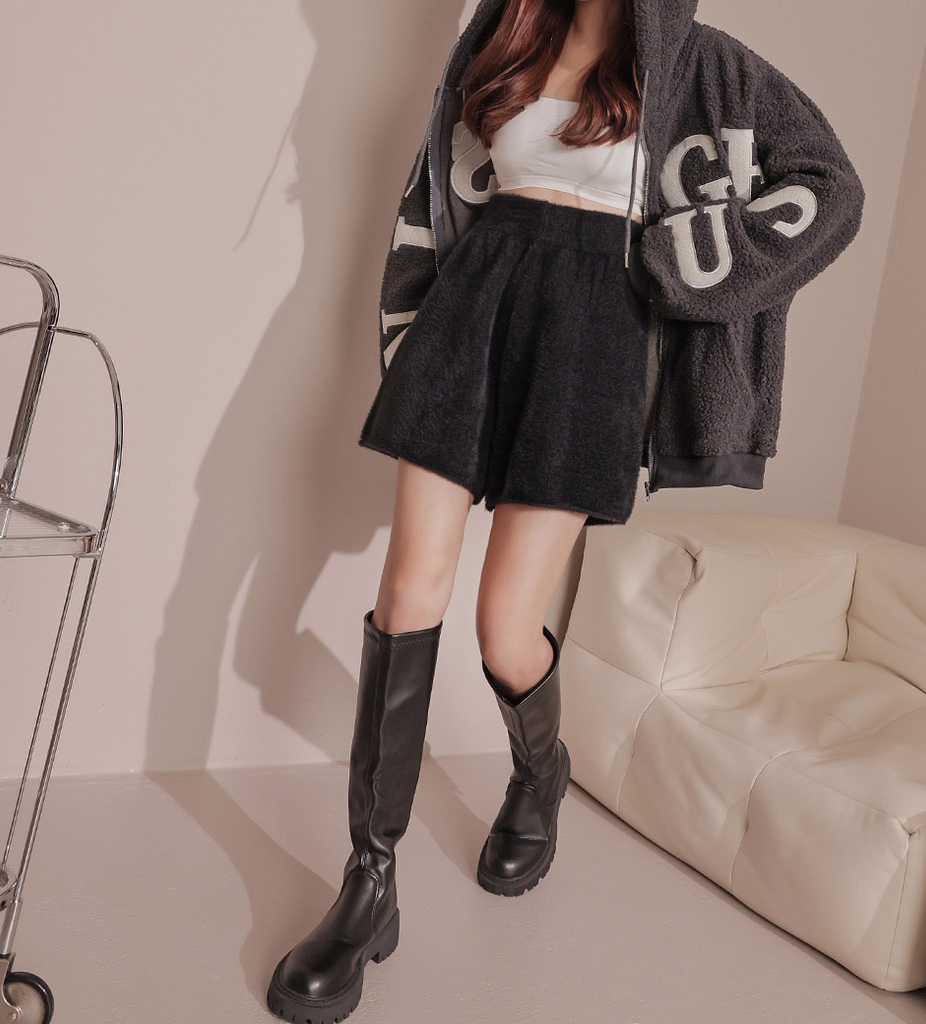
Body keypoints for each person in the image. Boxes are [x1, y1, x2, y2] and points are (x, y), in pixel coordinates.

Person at [267, 0, 864, 1020]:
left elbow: (829, 187)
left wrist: (684, 260)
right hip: (472, 308)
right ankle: (370, 880)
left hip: (595, 332)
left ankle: (538, 775)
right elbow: (441, 195)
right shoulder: (506, 36)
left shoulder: (701, 65)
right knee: (408, 589)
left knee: (506, 628)